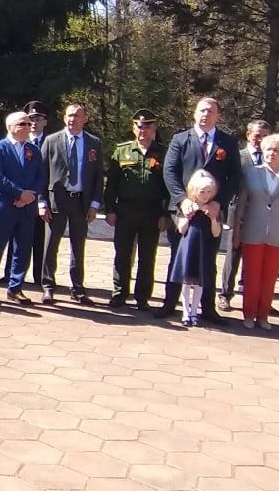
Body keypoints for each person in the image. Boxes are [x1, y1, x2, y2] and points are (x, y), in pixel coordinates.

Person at [157, 97, 242, 323]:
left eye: (211, 111)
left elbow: (235, 176)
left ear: (218, 116)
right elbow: (170, 172)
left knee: (208, 259)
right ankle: (169, 303)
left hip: (211, 212)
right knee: (178, 256)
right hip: (185, 211)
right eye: (202, 110)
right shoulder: (180, 139)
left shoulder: (228, 142)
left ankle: (208, 308)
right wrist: (182, 200)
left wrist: (219, 202)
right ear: (194, 114)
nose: (206, 114)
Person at [232, 134, 279, 330]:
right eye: (268, 149)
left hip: (278, 234)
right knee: (252, 276)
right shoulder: (252, 173)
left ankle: (263, 316)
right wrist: (237, 230)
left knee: (269, 277)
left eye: (276, 150)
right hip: (253, 231)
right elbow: (241, 204)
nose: (271, 153)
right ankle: (248, 314)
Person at [104, 110, 169, 310]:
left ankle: (142, 297)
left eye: (147, 127)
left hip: (151, 213)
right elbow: (111, 185)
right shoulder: (121, 151)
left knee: (147, 256)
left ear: (154, 129)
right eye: (139, 127)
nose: (143, 131)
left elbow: (168, 187)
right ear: (133, 128)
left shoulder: (163, 153)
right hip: (125, 211)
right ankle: (119, 294)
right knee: (122, 254)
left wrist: (166, 214)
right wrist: (110, 210)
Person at [39, 103, 104, 305]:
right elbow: (41, 174)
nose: (72, 119)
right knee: (50, 245)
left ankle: (78, 289)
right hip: (56, 200)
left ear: (85, 118)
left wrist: (94, 204)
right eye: (68, 115)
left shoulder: (94, 143)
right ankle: (48, 287)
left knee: (78, 246)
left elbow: (98, 176)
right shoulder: (51, 141)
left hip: (80, 201)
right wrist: (42, 201)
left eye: (76, 115)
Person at [0, 111, 48, 306]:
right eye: (23, 124)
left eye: (29, 124)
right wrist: (19, 194)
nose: (28, 127)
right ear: (10, 127)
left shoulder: (34, 150)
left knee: (22, 248)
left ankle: (15, 288)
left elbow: (41, 177)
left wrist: (30, 196)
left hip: (26, 208)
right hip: (4, 206)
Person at [219, 120, 271, 311]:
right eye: (257, 135)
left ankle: (256, 298)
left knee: (258, 258)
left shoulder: (271, 158)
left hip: (262, 214)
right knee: (233, 256)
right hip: (238, 212)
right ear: (248, 135)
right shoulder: (237, 157)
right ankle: (225, 294)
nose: (260, 140)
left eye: (264, 136)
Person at [170, 171, 224, 327]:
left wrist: (213, 218)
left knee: (200, 281)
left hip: (204, 248)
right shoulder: (187, 206)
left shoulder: (213, 209)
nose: (206, 195)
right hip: (188, 247)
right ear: (194, 191)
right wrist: (188, 215)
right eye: (202, 192)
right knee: (186, 281)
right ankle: (185, 312)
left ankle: (195, 311)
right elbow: (181, 229)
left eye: (209, 192)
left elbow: (216, 232)